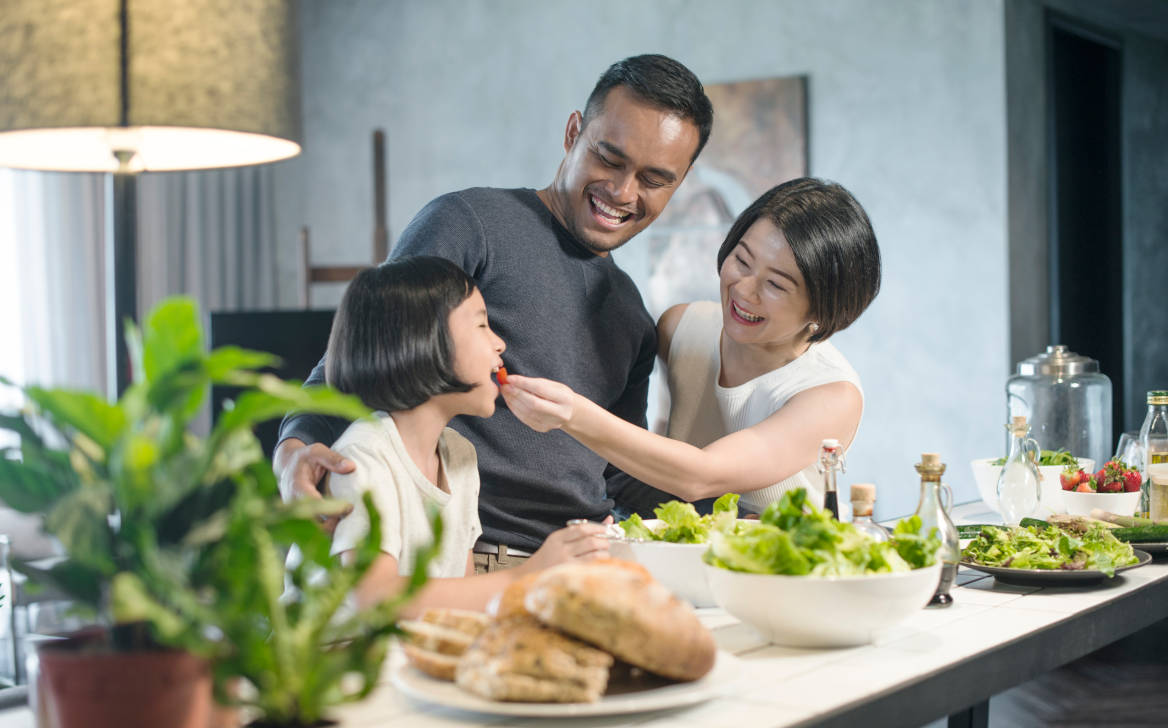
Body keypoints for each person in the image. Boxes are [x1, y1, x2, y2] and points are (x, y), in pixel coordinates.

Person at [275, 54, 715, 571]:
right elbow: (365, 355)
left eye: (653, 179)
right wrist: (293, 452)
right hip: (469, 556)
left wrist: (724, 517)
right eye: (610, 159)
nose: (622, 192)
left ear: (678, 184)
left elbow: (618, 469)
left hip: (578, 560)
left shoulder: (631, 314)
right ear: (573, 132)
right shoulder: (471, 224)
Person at [500, 177, 881, 514]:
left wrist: (571, 414)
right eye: (743, 261)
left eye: (776, 285)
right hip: (685, 553)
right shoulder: (682, 327)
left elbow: (701, 475)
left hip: (785, 571)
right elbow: (659, 431)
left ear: (825, 307)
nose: (744, 290)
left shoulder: (830, 394)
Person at [323, 257, 609, 612]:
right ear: (424, 340)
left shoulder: (459, 454)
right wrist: (530, 572)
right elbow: (373, 596)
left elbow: (464, 594)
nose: (499, 343)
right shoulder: (365, 456)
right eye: (482, 325)